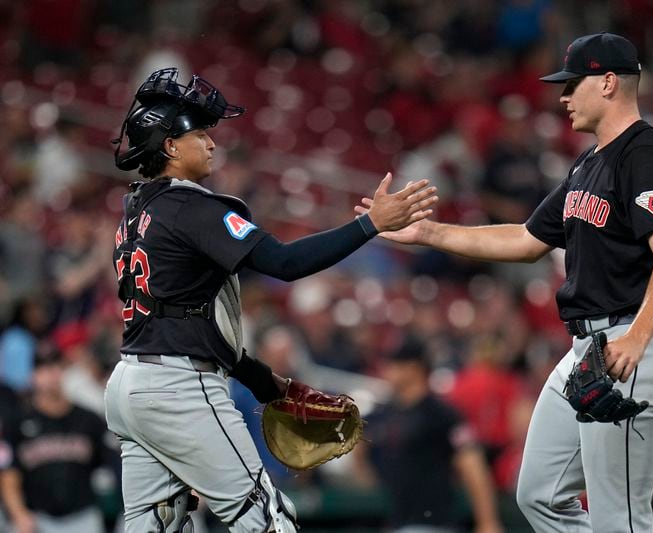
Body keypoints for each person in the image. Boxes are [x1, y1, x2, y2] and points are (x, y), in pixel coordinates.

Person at [357, 33, 653, 532]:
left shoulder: (645, 153)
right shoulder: (588, 163)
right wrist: (429, 231)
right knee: (539, 494)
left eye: (572, 83)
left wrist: (637, 337)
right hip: (589, 346)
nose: (562, 96)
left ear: (607, 83)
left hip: (632, 342)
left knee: (617, 517)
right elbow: (526, 237)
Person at [103, 67, 438, 533]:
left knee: (153, 526)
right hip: (178, 387)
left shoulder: (138, 213)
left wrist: (265, 382)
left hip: (130, 386)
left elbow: (184, 318)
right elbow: (283, 263)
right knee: (267, 517)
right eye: (199, 133)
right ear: (170, 146)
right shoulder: (191, 207)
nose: (212, 143)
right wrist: (371, 224)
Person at [358, 336, 503, 533]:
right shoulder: (384, 413)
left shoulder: (442, 415)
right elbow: (357, 449)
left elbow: (473, 467)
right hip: (395, 522)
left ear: (414, 368)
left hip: (435, 523)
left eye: (395, 364)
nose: (387, 370)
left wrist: (487, 522)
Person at [0, 346, 114, 533]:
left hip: (83, 517)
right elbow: (8, 475)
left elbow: (110, 466)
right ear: (33, 376)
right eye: (43, 369)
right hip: (38, 519)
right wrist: (19, 514)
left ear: (64, 371)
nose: (50, 375)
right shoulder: (18, 421)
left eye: (55, 367)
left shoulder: (89, 419)